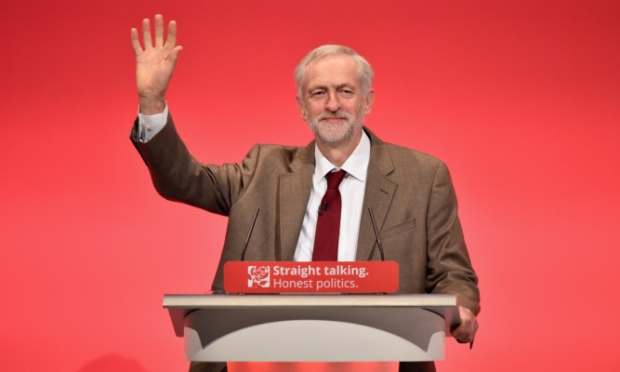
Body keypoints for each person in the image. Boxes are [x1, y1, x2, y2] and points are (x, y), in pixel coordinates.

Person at [130, 14, 480, 372]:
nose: (332, 104)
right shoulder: (263, 168)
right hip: (258, 358)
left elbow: (453, 273)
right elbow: (182, 180)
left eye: (345, 91)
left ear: (367, 101)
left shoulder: (423, 176)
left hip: (379, 360)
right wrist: (153, 103)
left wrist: (461, 308)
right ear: (301, 106)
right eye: (318, 93)